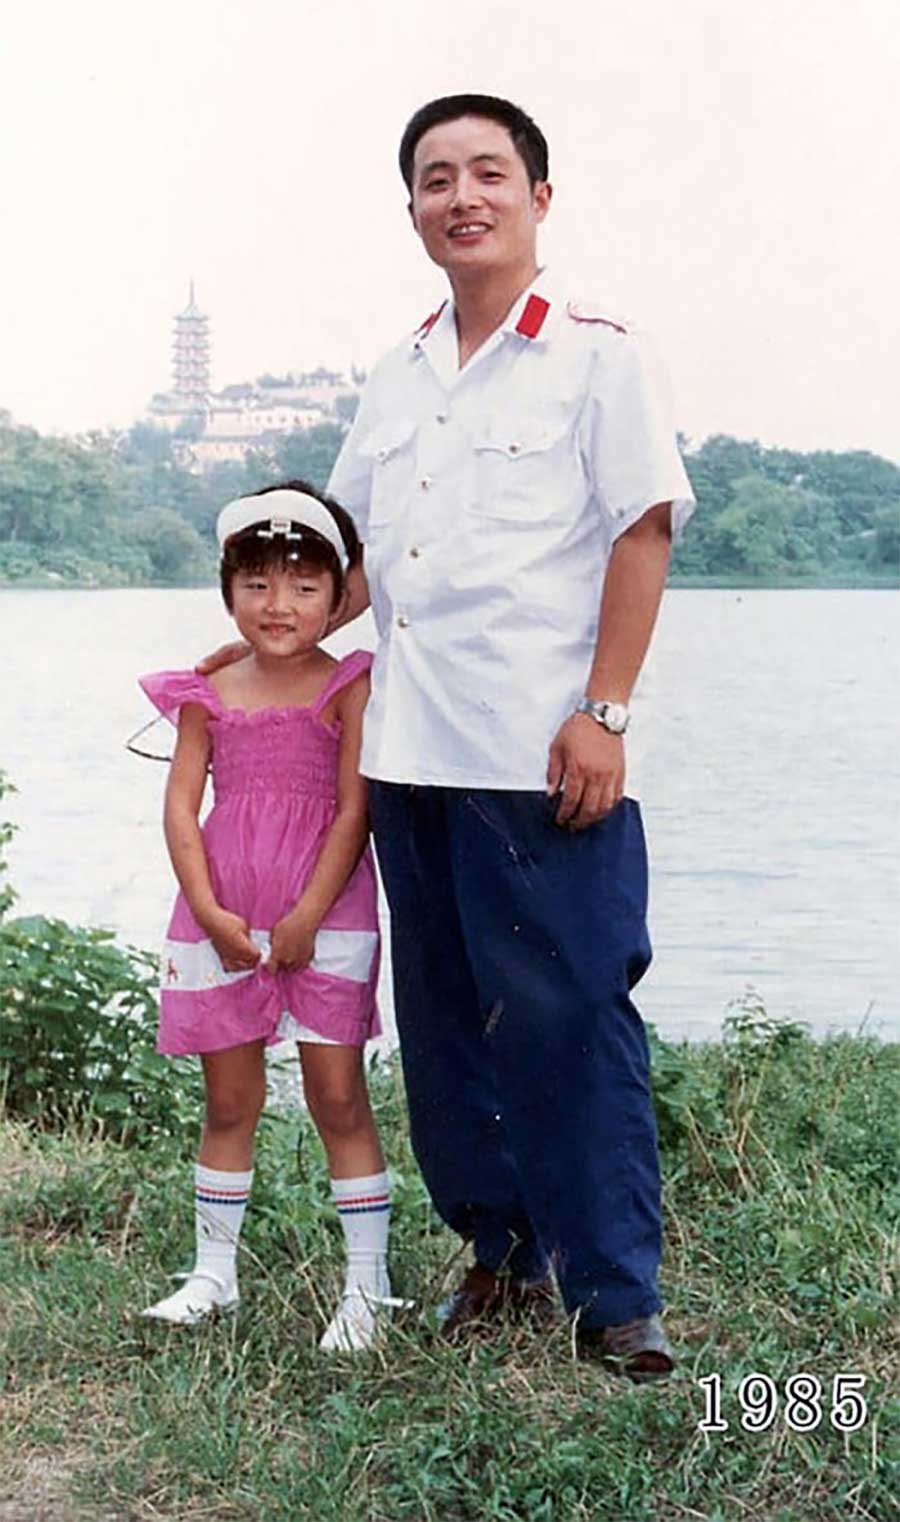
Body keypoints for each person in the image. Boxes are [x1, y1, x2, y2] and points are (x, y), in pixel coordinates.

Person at [204, 93, 696, 1379]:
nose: (461, 196)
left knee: (571, 1012)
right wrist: (262, 647)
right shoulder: (398, 366)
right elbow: (350, 561)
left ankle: (614, 1293)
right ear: (413, 207)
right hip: (406, 755)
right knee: (441, 1022)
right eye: (435, 178)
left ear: (541, 196)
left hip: (538, 757)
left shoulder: (600, 354)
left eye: (489, 173)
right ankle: (500, 1249)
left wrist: (605, 711)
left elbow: (642, 532)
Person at [139, 480, 396, 1353]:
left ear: (338, 595)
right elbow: (180, 811)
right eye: (256, 584)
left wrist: (307, 915)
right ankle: (214, 1273)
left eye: (303, 585)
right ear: (228, 592)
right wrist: (210, 911)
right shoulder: (204, 691)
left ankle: (367, 1289)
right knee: (229, 1099)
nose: (278, 604)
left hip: (327, 914)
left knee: (337, 1095)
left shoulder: (350, 686)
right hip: (222, 920)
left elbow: (354, 810)